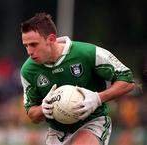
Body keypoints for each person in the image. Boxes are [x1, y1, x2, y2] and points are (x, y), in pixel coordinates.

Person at [20, 12, 135, 145]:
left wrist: (98, 98)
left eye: (34, 44)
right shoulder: (28, 71)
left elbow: (128, 80)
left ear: (51, 39)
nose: (29, 51)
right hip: (57, 132)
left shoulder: (88, 53)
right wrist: (43, 109)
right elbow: (32, 114)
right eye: (26, 46)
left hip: (92, 123)